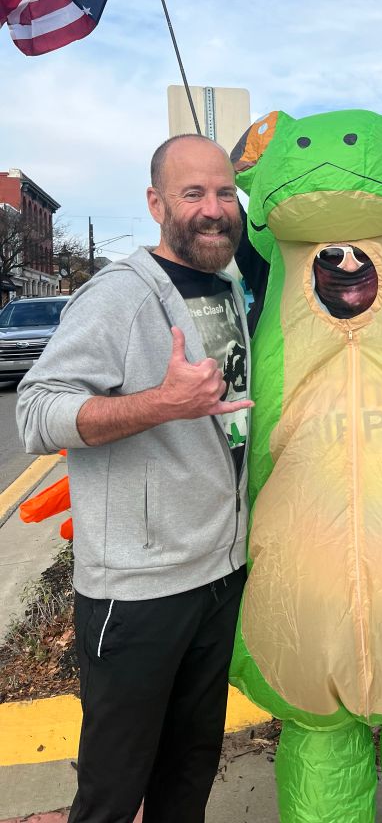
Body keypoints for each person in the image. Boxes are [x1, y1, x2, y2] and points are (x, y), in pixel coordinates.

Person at [16, 134, 254, 823]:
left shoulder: (226, 288)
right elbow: (35, 412)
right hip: (139, 592)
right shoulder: (120, 295)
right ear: (155, 203)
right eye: (192, 194)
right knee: (114, 793)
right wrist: (161, 404)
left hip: (217, 576)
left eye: (223, 192)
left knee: (189, 773)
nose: (213, 210)